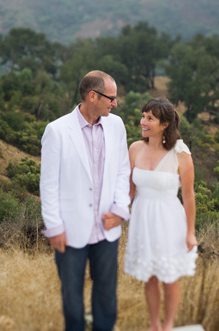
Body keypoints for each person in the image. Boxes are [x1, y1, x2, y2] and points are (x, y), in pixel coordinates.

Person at [40, 70, 131, 331]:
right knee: (72, 298)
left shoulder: (117, 125)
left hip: (107, 228)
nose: (115, 103)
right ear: (92, 96)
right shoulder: (56, 131)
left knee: (106, 296)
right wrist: (54, 227)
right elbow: (48, 184)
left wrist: (120, 209)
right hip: (69, 231)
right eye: (111, 98)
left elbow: (123, 169)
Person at [124, 98, 198, 331]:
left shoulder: (181, 153)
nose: (143, 122)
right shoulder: (135, 148)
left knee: (169, 275)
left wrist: (190, 232)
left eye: (150, 118)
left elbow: (188, 196)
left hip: (169, 220)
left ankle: (168, 325)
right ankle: (154, 324)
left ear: (165, 124)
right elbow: (129, 191)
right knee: (150, 275)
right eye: (143, 116)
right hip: (142, 219)